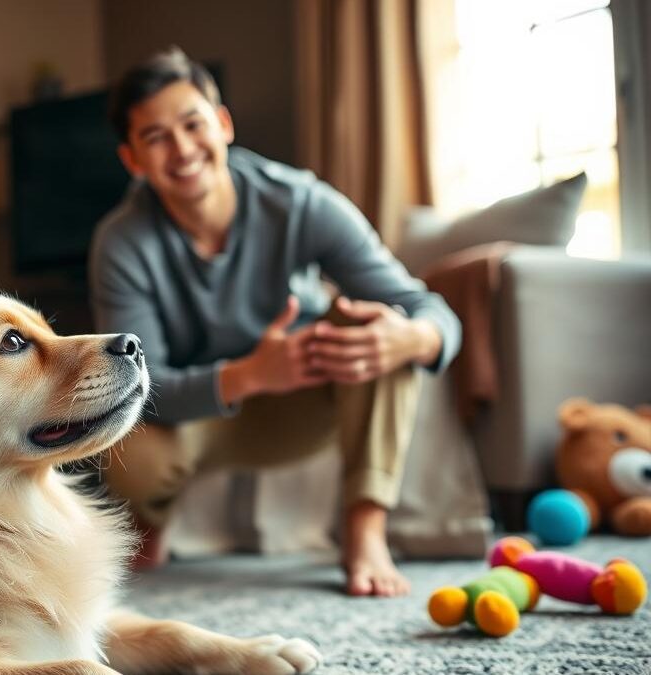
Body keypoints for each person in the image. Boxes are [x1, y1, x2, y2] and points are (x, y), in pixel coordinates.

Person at [89, 47, 461, 597]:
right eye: (156, 137)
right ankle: (153, 517)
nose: (183, 149)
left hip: (305, 402)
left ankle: (366, 529)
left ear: (223, 124)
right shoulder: (120, 243)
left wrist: (414, 336)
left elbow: (430, 310)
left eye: (193, 125)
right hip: (198, 417)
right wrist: (251, 374)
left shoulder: (302, 202)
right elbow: (142, 387)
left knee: (379, 328)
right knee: (124, 450)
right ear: (133, 160)